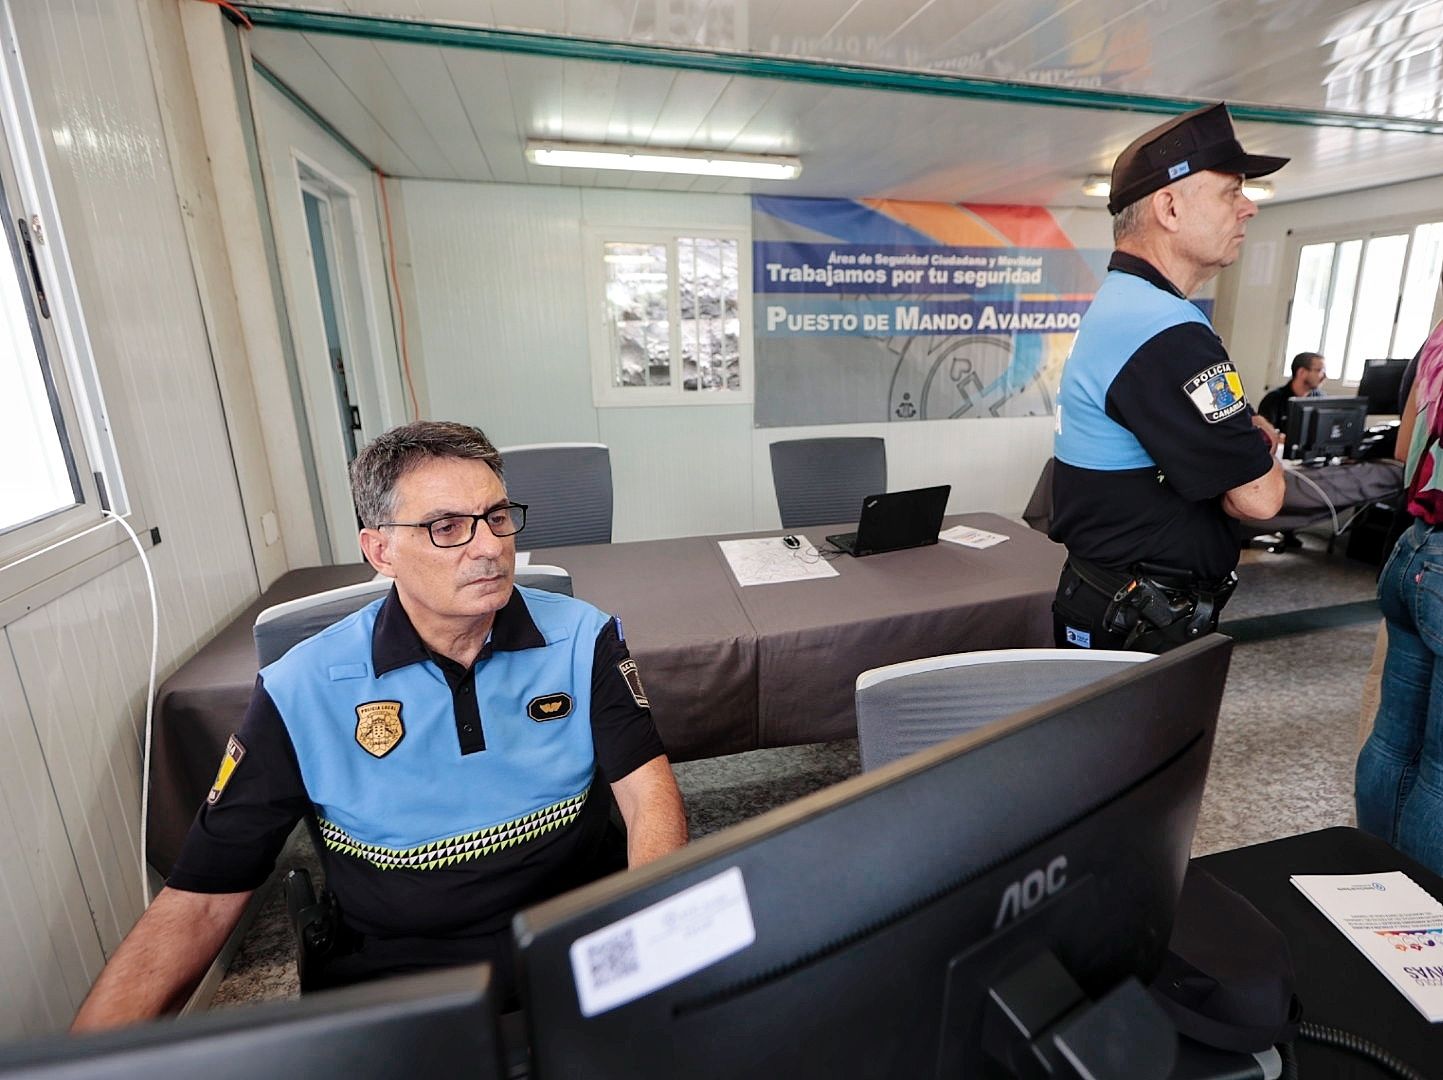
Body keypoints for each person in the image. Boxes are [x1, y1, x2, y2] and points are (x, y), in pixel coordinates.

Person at [72, 421, 688, 1031]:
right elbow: (202, 899)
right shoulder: (301, 688)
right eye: (446, 527)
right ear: (380, 551)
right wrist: (89, 1063)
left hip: (576, 947)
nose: (489, 547)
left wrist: (645, 939)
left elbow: (648, 797)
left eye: (498, 517)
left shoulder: (584, 637)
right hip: (406, 986)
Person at [1050, 102, 1286, 653]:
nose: (1248, 208)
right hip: (1139, 616)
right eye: (1232, 191)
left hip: (1117, 599)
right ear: (1170, 207)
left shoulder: (1128, 304)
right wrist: (1249, 448)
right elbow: (1259, 499)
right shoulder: (1163, 330)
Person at [1355, 285, 1443, 874]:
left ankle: (1375, 880)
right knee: (1439, 768)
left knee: (1393, 741)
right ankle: (1421, 912)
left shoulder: (1435, 344)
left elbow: (1407, 446)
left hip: (1415, 549)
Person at [1256, 351, 1327, 430]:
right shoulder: (1273, 400)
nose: (1324, 376)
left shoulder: (1321, 399)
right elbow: (1265, 436)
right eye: (1320, 371)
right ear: (1301, 372)